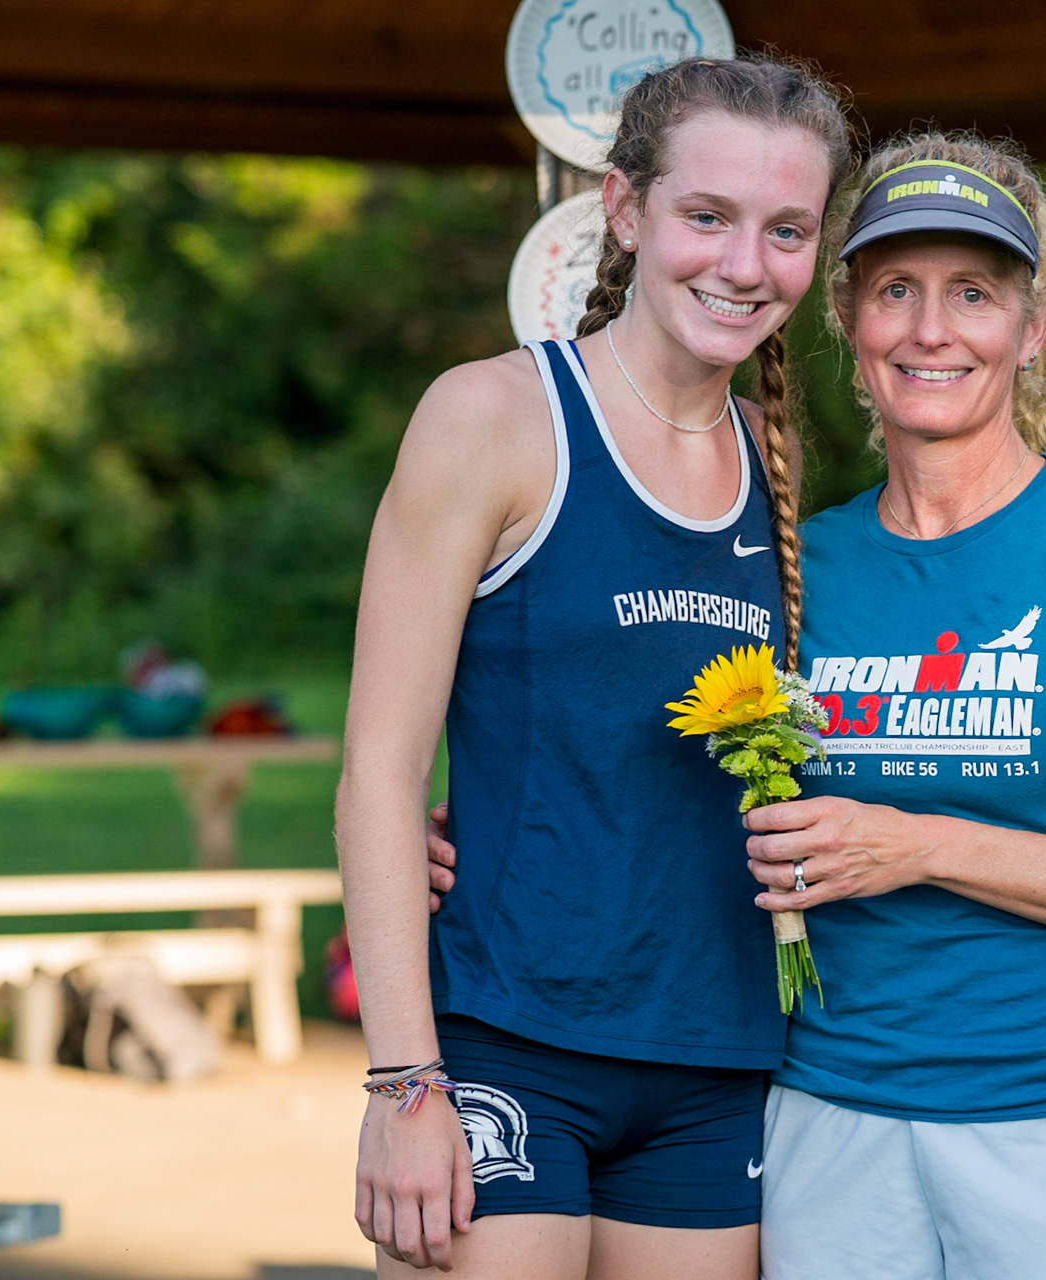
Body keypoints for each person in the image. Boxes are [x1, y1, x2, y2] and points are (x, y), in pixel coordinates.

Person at [338, 56, 852, 1279]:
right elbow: (379, 771)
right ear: (624, 208)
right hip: (508, 1041)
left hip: (713, 1057)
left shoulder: (773, 458)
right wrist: (404, 1081)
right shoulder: (493, 418)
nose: (744, 264)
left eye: (786, 230)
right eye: (707, 215)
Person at [740, 132, 1046, 1280]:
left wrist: (917, 845)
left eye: (973, 291)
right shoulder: (794, 568)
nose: (932, 328)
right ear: (848, 319)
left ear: (1033, 327)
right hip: (836, 1119)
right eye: (896, 290)